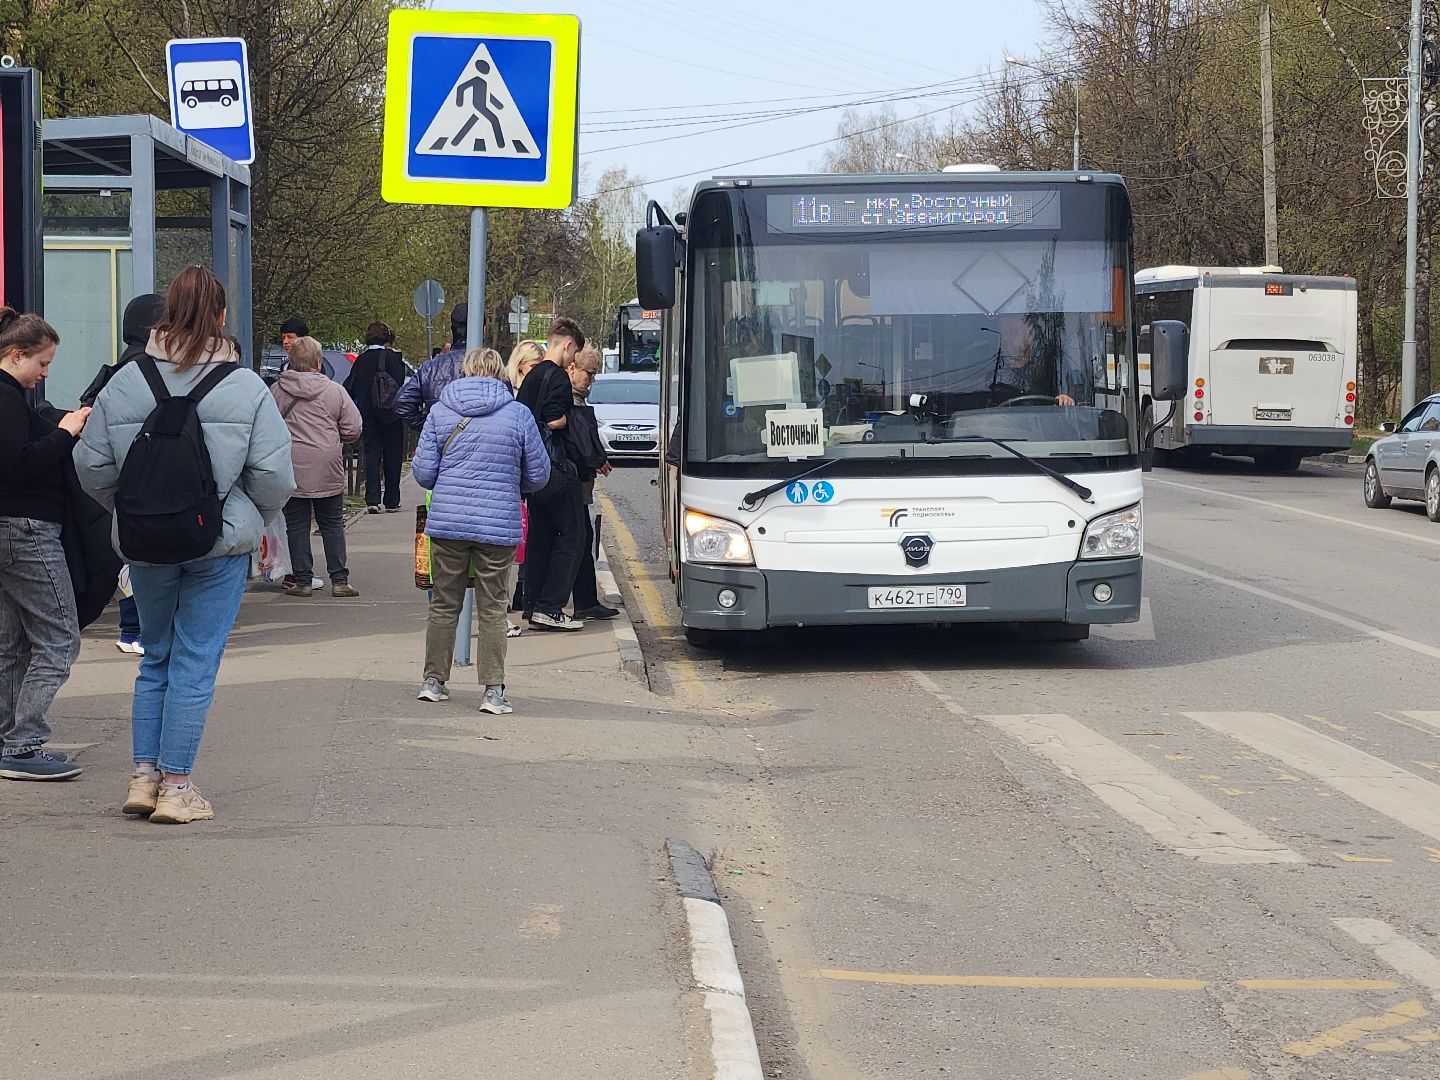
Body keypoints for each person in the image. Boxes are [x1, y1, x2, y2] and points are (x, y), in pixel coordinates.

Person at [76, 265, 295, 824]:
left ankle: (143, 777)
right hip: (217, 545)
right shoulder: (245, 386)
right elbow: (275, 478)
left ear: (164, 314)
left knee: (157, 658)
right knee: (196, 659)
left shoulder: (126, 381)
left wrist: (134, 512)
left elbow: (91, 465)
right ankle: (177, 787)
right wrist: (244, 518)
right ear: (222, 316)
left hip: (146, 544)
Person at [412, 347, 548, 714]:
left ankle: (433, 681)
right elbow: (538, 475)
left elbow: (424, 473)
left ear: (465, 372)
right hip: (498, 524)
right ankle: (493, 691)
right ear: (500, 373)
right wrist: (509, 482)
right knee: (493, 609)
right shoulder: (517, 414)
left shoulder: (440, 412)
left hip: (449, 523)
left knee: (444, 604)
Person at [0, 309, 89, 781]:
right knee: (59, 638)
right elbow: (19, 463)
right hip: (26, 528)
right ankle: (24, 742)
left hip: (6, 530)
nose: (45, 374)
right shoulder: (6, 397)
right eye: (43, 363)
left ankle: (5, 738)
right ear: (17, 355)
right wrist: (65, 432)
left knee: (10, 643)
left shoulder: (12, 399)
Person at [80, 293, 168, 654]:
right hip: (153, 490)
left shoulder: (115, 375)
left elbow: (92, 455)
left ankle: (133, 630)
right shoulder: (156, 374)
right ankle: (138, 630)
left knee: (130, 564)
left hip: (120, 491)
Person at [272, 336, 363, 599]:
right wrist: (335, 438)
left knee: (296, 525)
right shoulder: (335, 391)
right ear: (319, 362)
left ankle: (302, 580)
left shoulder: (278, 391)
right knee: (332, 523)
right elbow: (353, 428)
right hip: (327, 465)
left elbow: (267, 427)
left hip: (291, 465)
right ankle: (340, 580)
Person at [516, 318, 587, 632]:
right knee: (573, 535)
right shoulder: (558, 377)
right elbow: (555, 420)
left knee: (540, 536)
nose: (573, 361)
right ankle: (551, 606)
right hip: (556, 468)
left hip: (532, 468)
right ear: (568, 345)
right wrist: (570, 420)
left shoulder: (531, 377)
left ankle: (533, 604)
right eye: (574, 354)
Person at [566, 345, 618, 621]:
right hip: (571, 483)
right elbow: (580, 440)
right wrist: (595, 459)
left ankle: (586, 601)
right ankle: (580, 602)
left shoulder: (578, 398)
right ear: (572, 368)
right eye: (589, 373)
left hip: (580, 484)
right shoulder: (569, 399)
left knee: (584, 540)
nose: (592, 380)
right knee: (578, 541)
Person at [345, 321, 408, 514]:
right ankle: (392, 498)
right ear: (388, 337)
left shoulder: (361, 360)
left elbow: (352, 387)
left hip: (368, 414)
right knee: (393, 454)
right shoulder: (393, 358)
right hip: (391, 413)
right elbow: (400, 383)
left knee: (372, 453)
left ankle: (372, 498)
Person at [396, 303, 469, 431]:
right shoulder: (490, 367)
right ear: (483, 328)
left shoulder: (430, 368)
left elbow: (402, 402)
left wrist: (429, 427)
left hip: (440, 444)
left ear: (452, 329)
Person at [992, 315, 1078, 406]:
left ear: (1030, 335)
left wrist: (1065, 399)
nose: (1005, 338)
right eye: (1003, 333)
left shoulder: (1053, 367)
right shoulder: (994, 373)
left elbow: (1070, 399)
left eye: (1012, 332)